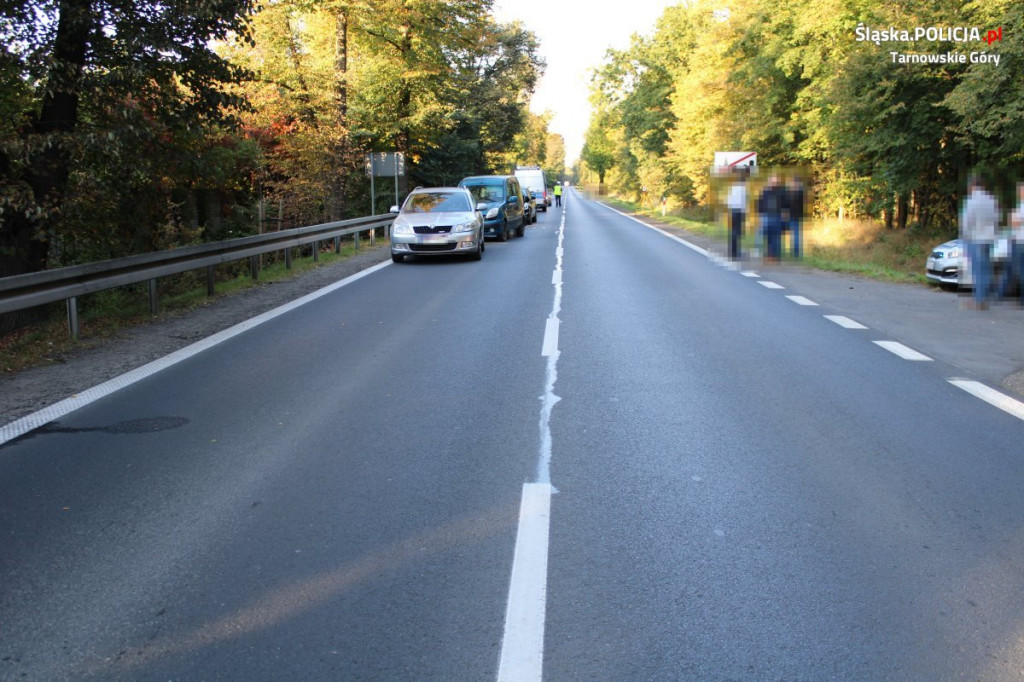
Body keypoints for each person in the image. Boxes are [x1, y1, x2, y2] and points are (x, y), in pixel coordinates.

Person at [960, 175, 1000, 309]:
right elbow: (997, 218)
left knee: (977, 269)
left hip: (975, 237)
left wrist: (964, 235)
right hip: (989, 238)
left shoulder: (972, 200)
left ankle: (978, 299)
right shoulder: (991, 199)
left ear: (971, 186)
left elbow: (967, 221)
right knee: (986, 269)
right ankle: (983, 298)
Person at [1002, 181, 1024, 305]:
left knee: (1020, 271)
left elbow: (1014, 223)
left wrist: (1011, 216)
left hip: (1020, 242)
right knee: (1014, 269)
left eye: (1020, 191)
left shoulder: (1022, 207)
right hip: (1017, 240)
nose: (1019, 193)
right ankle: (1002, 293)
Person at [757, 175, 787, 262]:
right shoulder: (765, 192)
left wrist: (784, 214)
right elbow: (760, 202)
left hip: (777, 216)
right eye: (772, 181)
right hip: (766, 216)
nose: (774, 183)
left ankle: (775, 255)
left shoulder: (781, 192)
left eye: (775, 182)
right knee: (769, 236)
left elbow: (785, 204)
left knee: (776, 236)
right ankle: (770, 254)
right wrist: (760, 213)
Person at [725, 170, 747, 260]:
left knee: (733, 231)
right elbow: (744, 202)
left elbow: (728, 200)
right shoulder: (743, 189)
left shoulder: (732, 188)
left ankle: (732, 251)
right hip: (739, 211)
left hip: (732, 210)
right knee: (738, 232)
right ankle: (736, 251)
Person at [786, 177, 805, 258]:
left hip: (795, 216)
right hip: (791, 216)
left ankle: (796, 253)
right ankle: (794, 252)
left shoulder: (798, 193)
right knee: (794, 235)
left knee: (796, 235)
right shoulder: (792, 193)